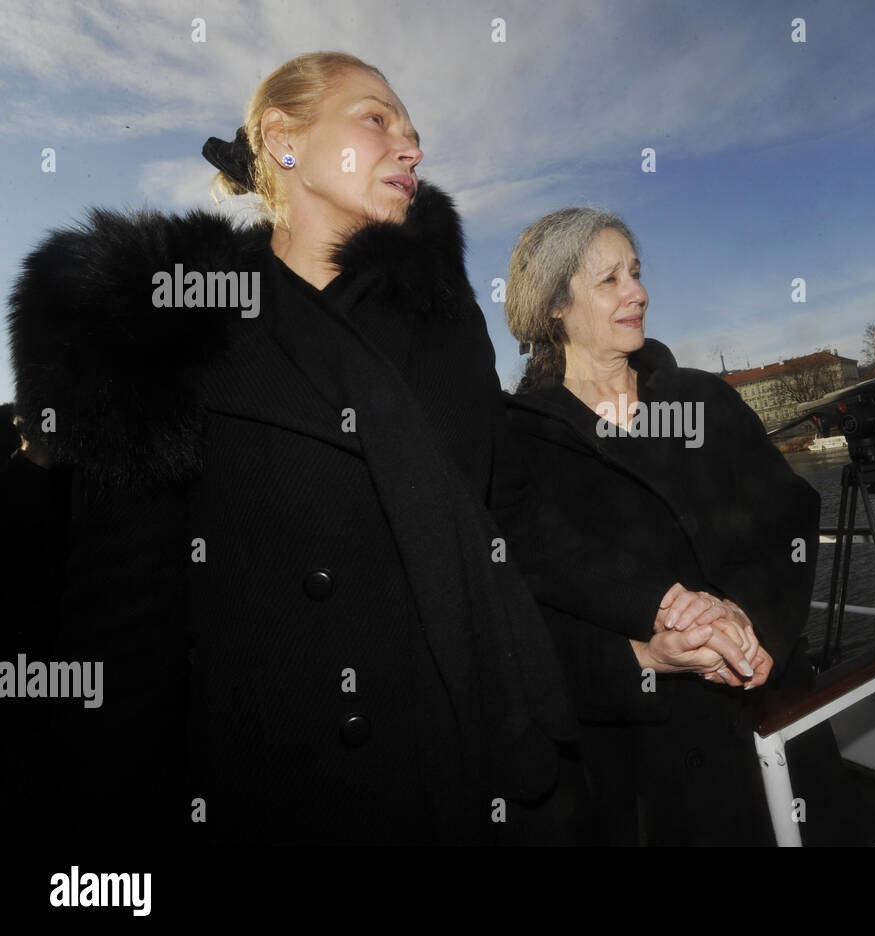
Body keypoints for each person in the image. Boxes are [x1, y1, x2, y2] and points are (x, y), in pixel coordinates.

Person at [3, 51, 576, 845]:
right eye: (377, 119)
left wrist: (645, 615)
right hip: (271, 796)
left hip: (463, 776)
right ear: (283, 139)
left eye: (414, 134)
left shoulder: (447, 328)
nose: (411, 147)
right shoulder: (167, 330)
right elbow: (124, 627)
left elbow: (510, 515)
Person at [499, 207, 854, 845]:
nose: (639, 292)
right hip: (644, 773)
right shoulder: (519, 441)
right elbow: (521, 619)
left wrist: (752, 622)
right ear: (555, 304)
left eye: (635, 273)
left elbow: (789, 522)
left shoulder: (704, 399)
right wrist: (642, 659)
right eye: (609, 280)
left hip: (773, 714)